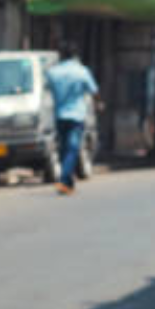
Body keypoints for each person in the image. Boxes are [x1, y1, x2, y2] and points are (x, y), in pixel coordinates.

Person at [45, 40, 100, 195]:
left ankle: (68, 182)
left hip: (59, 115)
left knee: (63, 149)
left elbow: (47, 90)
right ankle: (64, 180)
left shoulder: (52, 72)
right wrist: (98, 104)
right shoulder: (81, 71)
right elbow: (94, 90)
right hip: (76, 115)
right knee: (72, 148)